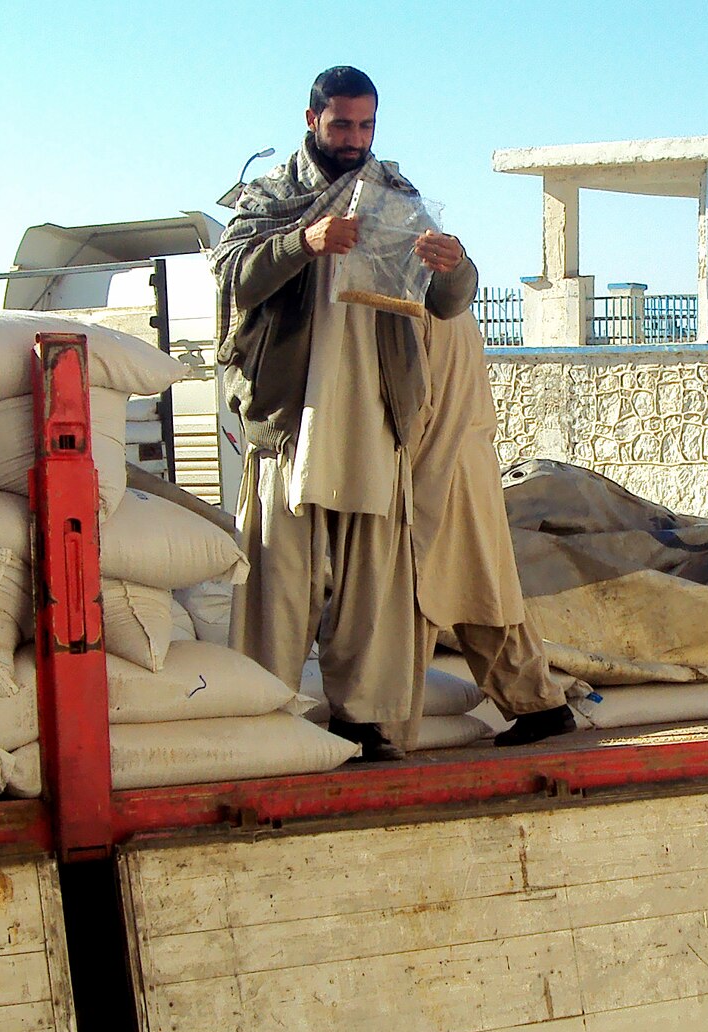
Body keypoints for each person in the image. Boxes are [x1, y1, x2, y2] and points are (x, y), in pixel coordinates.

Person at [212, 66, 575, 759]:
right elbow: (236, 276)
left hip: (376, 421)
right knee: (275, 579)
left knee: (371, 590)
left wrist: (456, 265)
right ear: (312, 120)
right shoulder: (270, 198)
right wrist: (305, 243)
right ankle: (258, 719)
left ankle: (367, 724)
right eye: (342, 124)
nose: (354, 139)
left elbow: (444, 299)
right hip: (290, 424)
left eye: (366, 126)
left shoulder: (393, 199)